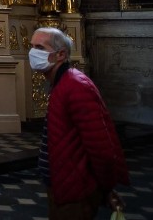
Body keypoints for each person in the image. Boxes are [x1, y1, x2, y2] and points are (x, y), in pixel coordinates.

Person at [29, 27, 129, 220]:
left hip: (75, 188)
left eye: (40, 47)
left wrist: (107, 188)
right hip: (62, 185)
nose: (33, 53)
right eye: (31, 46)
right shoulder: (62, 83)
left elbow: (101, 146)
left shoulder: (76, 87)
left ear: (61, 55)